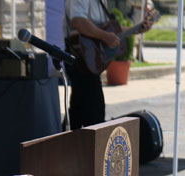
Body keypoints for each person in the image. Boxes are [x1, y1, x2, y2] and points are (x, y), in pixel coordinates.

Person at [64, 0, 154, 129]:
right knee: (94, 114)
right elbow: (78, 21)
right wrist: (105, 36)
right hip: (80, 56)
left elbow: (107, 29)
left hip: (89, 60)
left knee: (79, 110)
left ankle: (67, 142)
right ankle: (78, 143)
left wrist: (136, 29)